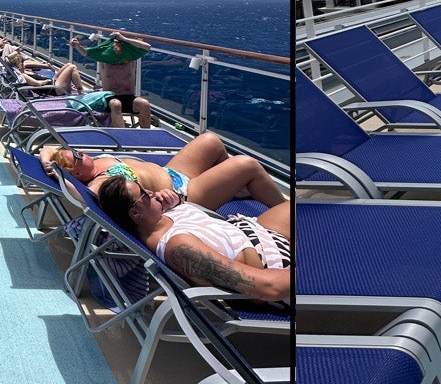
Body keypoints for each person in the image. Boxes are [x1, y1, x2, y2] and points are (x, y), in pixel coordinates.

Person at [93, 174, 291, 304]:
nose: (152, 192)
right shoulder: (180, 248)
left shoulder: (159, 217)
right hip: (273, 260)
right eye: (144, 194)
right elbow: (266, 288)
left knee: (311, 209)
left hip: (255, 229)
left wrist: (177, 201)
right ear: (135, 213)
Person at [37, 132, 286, 213]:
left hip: (173, 172)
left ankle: (232, 189)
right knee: (247, 164)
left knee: (210, 140)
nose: (81, 152)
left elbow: (47, 146)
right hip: (183, 195)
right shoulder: (101, 183)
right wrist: (59, 176)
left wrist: (49, 160)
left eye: (76, 150)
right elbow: (85, 199)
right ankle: (284, 211)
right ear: (78, 175)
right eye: (78, 157)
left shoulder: (96, 163)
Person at [73, 30, 153, 128]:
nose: (117, 46)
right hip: (109, 97)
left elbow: (147, 46)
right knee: (116, 104)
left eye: (119, 43)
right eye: (114, 44)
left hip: (128, 96)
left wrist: (124, 39)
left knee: (144, 103)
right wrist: (77, 46)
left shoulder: (131, 59)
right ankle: (122, 136)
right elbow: (86, 52)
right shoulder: (104, 61)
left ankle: (146, 137)